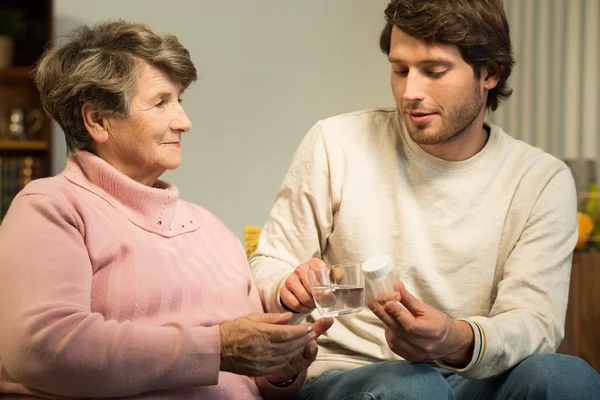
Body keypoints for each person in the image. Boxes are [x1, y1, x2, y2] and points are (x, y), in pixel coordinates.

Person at [249, 0, 600, 399]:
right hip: (351, 376)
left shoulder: (540, 179)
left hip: (471, 377)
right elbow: (270, 262)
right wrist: (285, 285)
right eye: (399, 70)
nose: (410, 92)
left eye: (433, 71)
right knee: (412, 388)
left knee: (567, 378)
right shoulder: (336, 143)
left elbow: (535, 321)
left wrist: (456, 339)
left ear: (489, 73)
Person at [0, 20, 333, 400]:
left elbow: (254, 384)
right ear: (97, 120)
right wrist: (216, 348)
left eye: (180, 101)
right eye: (161, 102)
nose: (184, 122)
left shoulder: (209, 228)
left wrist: (281, 372)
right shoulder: (51, 207)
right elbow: (44, 348)